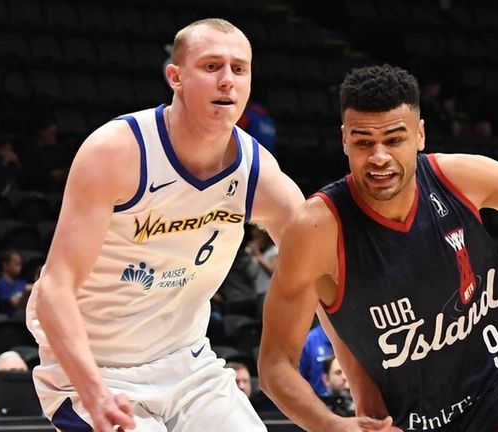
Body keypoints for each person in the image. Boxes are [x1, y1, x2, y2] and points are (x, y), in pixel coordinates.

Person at [258, 64, 498, 431]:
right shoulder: (316, 229)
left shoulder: (459, 178)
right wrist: (331, 426)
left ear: (420, 135)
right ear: (344, 139)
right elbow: (275, 363)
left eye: (394, 139)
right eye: (363, 142)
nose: (379, 157)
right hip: (407, 418)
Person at [25, 18, 304, 432]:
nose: (227, 80)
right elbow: (53, 289)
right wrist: (94, 393)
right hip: (97, 368)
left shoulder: (258, 173)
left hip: (189, 364)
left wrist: (364, 390)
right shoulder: (117, 150)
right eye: (211, 67)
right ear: (175, 76)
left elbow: (320, 279)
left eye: (239, 69)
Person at [0, 250, 32, 317]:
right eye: (16, 265)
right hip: (9, 319)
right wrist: (26, 292)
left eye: (20, 264)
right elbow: (16, 305)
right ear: (5, 265)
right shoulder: (1, 284)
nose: (19, 268)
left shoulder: (22, 282)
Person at [299, 323, 334, 396]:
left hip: (351, 397)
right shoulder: (310, 341)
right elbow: (301, 377)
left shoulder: (351, 334)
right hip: (320, 398)